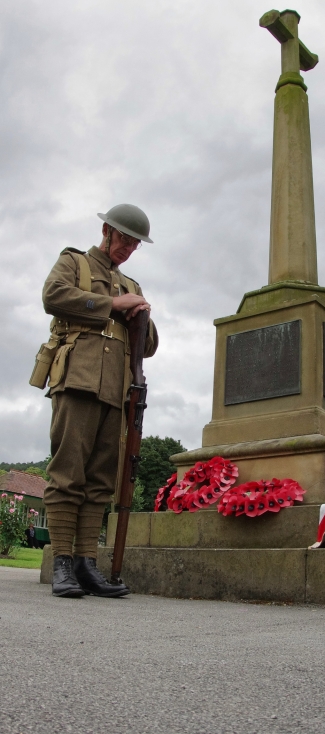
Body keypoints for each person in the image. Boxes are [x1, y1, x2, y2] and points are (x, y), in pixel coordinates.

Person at [39, 204, 158, 598]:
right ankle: (61, 562)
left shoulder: (132, 284)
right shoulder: (74, 262)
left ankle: (86, 563)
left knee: (101, 480)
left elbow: (151, 344)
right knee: (68, 471)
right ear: (107, 230)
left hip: (115, 390)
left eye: (134, 244)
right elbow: (53, 296)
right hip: (77, 378)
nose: (127, 248)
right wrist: (111, 305)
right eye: (124, 238)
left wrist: (142, 313)